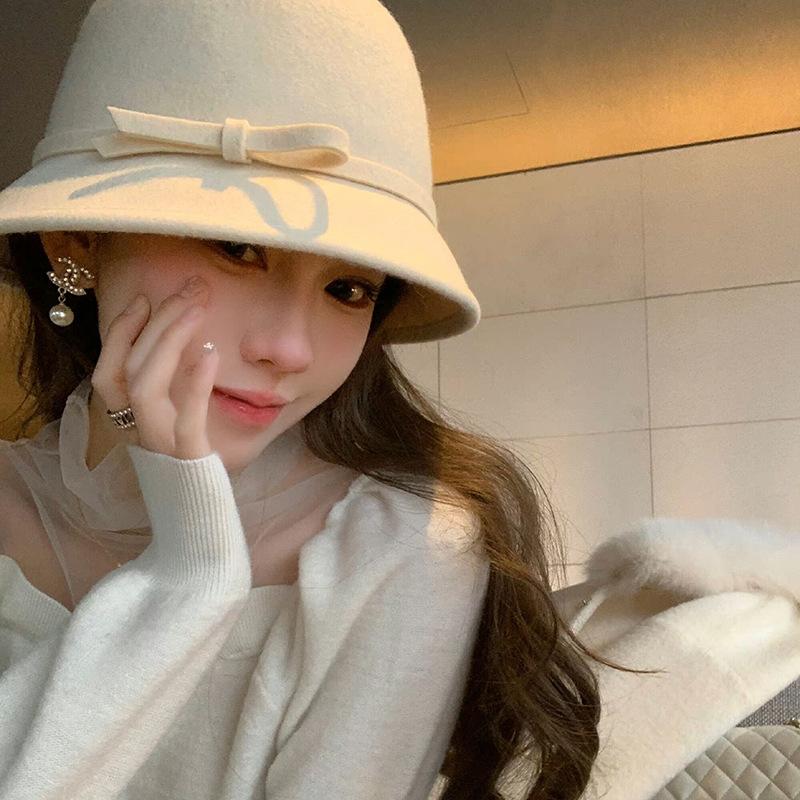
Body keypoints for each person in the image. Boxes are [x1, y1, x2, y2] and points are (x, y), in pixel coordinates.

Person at [0, 1, 758, 798]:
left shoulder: (400, 542)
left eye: (348, 288)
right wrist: (183, 578)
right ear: (76, 244)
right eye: (237, 248)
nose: (291, 348)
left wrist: (191, 563)